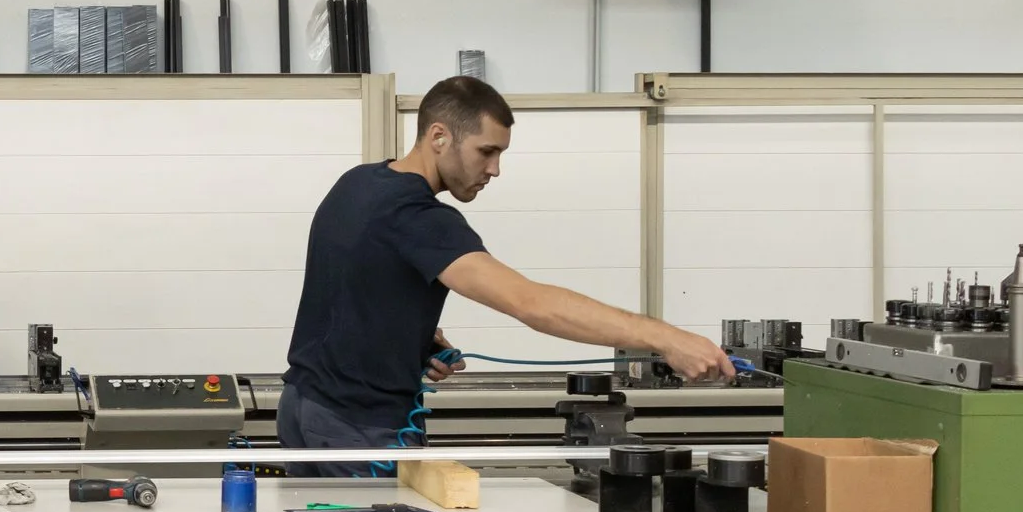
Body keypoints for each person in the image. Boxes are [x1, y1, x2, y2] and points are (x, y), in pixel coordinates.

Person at [278, 74, 733, 475]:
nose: (494, 169)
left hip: (302, 408)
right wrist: (667, 338)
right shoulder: (419, 218)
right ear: (439, 136)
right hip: (357, 429)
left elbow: (350, 290)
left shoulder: (359, 183)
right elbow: (531, 304)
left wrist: (405, 339)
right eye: (486, 151)